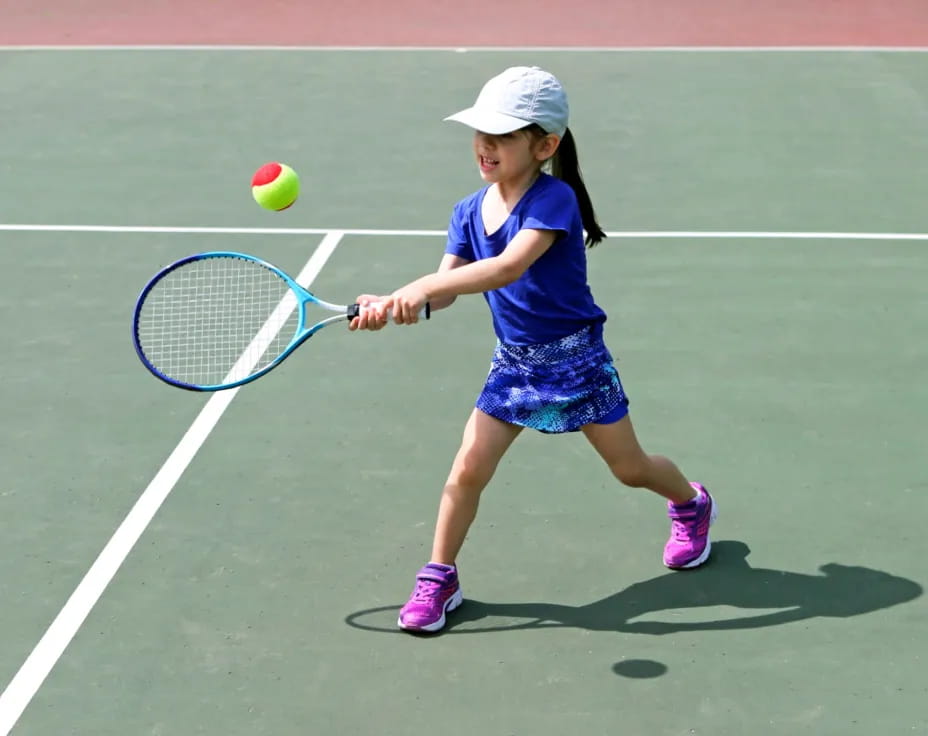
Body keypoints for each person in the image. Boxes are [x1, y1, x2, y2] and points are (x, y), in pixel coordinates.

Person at [350, 66, 717, 634]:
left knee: (629, 468)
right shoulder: (467, 212)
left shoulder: (554, 200)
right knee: (467, 468)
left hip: (578, 362)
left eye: (501, 135)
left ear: (545, 145)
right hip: (515, 365)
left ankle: (691, 503)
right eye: (479, 132)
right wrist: (394, 306)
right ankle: (439, 575)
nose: (484, 145)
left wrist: (419, 289)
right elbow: (443, 295)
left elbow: (506, 267)